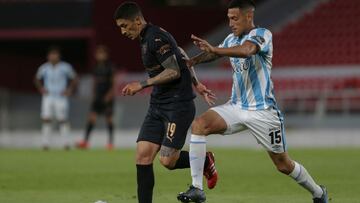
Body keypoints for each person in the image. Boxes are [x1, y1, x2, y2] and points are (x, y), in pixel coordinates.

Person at [177, 0, 328, 203]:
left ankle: (318, 193)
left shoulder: (262, 34)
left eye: (235, 18)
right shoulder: (231, 39)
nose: (230, 23)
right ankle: (197, 188)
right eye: (229, 18)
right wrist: (194, 61)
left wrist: (214, 49)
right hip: (237, 106)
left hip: (263, 111)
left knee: (283, 165)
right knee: (199, 125)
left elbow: (247, 50)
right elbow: (214, 54)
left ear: (249, 16)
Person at [114, 2, 218, 203]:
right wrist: (197, 82)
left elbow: (174, 71)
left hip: (177, 105)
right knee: (143, 156)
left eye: (125, 26)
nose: (122, 31)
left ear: (137, 20)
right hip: (158, 104)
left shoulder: (155, 37)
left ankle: (204, 159)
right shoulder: (146, 37)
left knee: (167, 161)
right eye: (120, 27)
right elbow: (180, 52)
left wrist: (142, 84)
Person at [34, 46, 77, 150]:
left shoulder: (65, 67)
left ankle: (66, 143)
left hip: (61, 96)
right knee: (46, 119)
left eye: (55, 54)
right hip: (48, 96)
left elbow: (74, 78)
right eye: (51, 55)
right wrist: (41, 89)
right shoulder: (44, 67)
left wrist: (69, 89)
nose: (53, 57)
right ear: (48, 56)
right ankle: (45, 143)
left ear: (59, 56)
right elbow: (36, 78)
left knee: (62, 119)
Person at [76, 45, 116, 150]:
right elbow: (94, 82)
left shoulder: (110, 67)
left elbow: (113, 83)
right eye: (98, 53)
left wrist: (109, 95)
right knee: (91, 118)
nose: (100, 56)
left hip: (107, 97)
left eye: (102, 53)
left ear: (106, 55)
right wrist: (94, 95)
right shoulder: (96, 67)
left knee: (109, 120)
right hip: (97, 96)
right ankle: (85, 141)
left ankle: (110, 143)